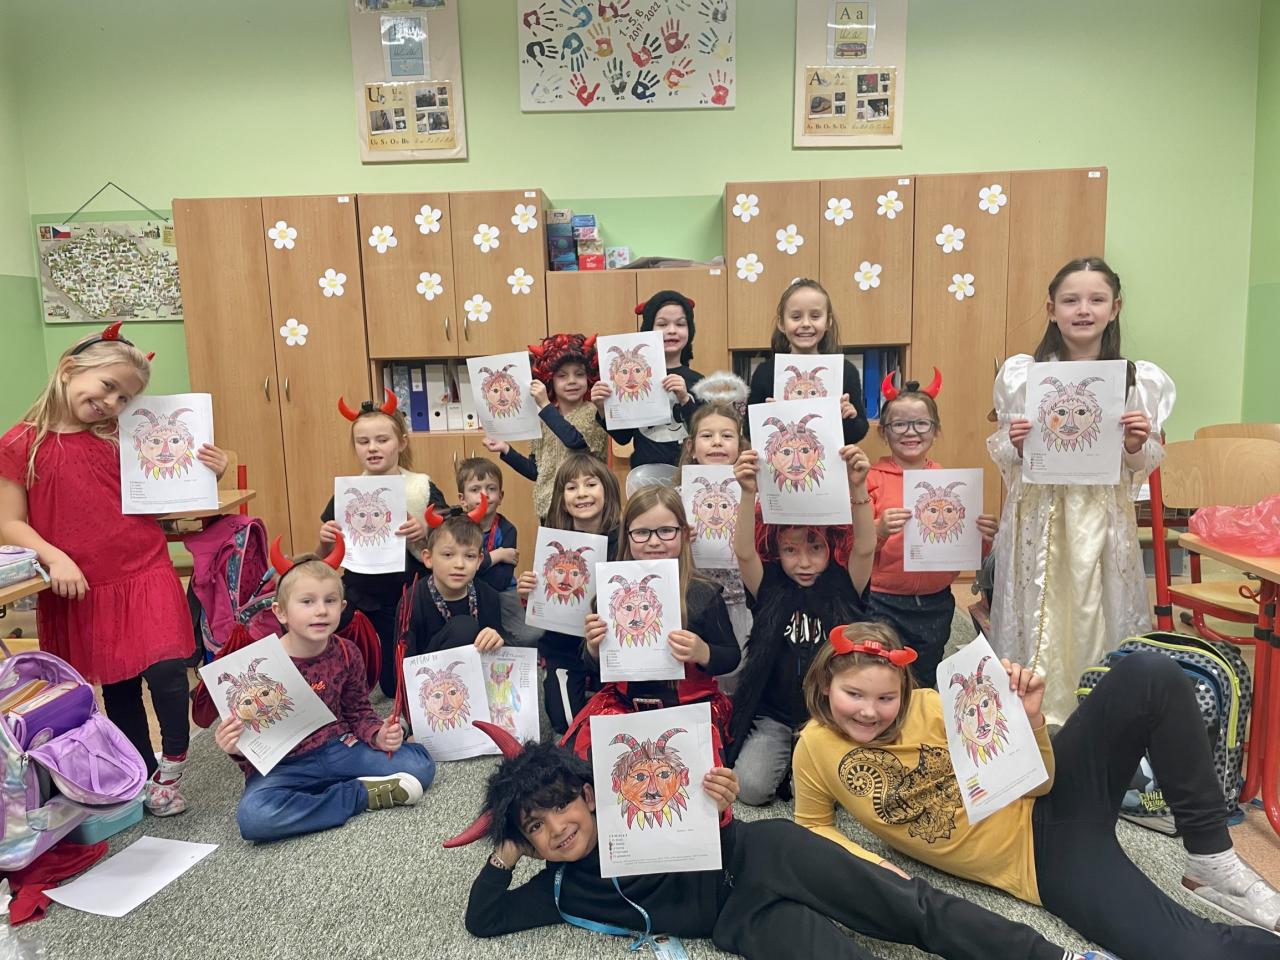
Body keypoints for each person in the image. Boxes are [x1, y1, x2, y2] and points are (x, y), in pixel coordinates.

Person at [795, 620, 1280, 957]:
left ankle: (1211, 859)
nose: (869, 710)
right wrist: (872, 865)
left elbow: (1040, 782)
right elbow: (813, 825)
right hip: (1042, 861)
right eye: (853, 694)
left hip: (1052, 794)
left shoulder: (937, 706)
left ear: (902, 691)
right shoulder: (814, 748)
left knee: (1149, 672)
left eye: (885, 697)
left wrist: (1028, 722)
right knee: (1195, 951)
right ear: (824, 685)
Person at [449, 724, 1117, 960]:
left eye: (558, 808)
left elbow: (708, 817)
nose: (555, 829)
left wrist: (716, 802)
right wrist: (506, 847)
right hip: (738, 920)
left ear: (588, 794)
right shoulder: (560, 891)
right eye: (535, 828)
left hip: (762, 853)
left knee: (909, 907)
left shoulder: (636, 803)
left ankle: (1050, 958)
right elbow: (484, 920)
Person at [0, 322, 229, 816]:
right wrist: (54, 556)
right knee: (118, 683)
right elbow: (9, 522)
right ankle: (141, 773)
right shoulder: (21, 443)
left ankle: (173, 765)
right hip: (83, 585)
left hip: (144, 568)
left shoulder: (123, 436)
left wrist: (208, 470)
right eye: (108, 387)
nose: (112, 403)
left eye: (124, 397)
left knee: (168, 668)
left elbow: (169, 490)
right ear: (68, 369)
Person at [987, 257, 1175, 723]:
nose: (1084, 310)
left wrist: (1135, 444)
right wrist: (1016, 444)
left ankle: (1094, 713)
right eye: (1071, 300)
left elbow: (1141, 463)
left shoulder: (1135, 380)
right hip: (1039, 515)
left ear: (1115, 308)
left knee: (1094, 607)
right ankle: (1031, 715)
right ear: (1052, 309)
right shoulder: (1024, 376)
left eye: (1096, 300)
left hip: (1099, 515)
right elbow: (1005, 454)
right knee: (1037, 604)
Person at [215, 540, 434, 842]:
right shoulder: (255, 666)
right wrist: (234, 748)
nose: (320, 611)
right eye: (307, 602)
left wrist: (377, 735)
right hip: (284, 766)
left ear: (342, 607)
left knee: (420, 766)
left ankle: (324, 796)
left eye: (330, 601)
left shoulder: (347, 652)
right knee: (254, 817)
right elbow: (252, 739)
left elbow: (359, 712)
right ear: (281, 612)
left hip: (338, 747)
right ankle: (358, 794)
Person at [726, 441, 875, 805]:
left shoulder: (844, 584)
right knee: (751, 788)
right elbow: (743, 552)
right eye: (790, 550)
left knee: (840, 793)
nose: (804, 562)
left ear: (830, 547)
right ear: (776, 551)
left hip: (830, 715)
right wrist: (747, 494)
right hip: (775, 714)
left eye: (815, 548)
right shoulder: (770, 584)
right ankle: (791, 758)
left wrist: (858, 487)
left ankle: (803, 763)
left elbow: (865, 548)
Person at [567, 485, 739, 759]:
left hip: (690, 709)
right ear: (627, 537)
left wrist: (703, 652)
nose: (654, 541)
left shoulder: (704, 593)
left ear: (684, 534)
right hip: (624, 706)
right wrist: (593, 649)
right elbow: (594, 667)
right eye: (642, 532)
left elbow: (731, 656)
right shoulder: (610, 594)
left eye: (666, 531)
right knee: (583, 768)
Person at [866, 370, 997, 688]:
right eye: (899, 424)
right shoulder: (871, 479)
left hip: (936, 600)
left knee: (925, 673)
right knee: (883, 674)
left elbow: (963, 551)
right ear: (884, 432)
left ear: (935, 430)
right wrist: (878, 529)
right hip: (882, 600)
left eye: (921, 424)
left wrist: (982, 538)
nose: (911, 432)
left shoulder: (951, 485)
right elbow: (853, 546)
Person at [319, 389, 445, 698]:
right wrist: (324, 540)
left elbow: (449, 543)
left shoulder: (421, 487)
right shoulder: (348, 492)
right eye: (363, 442)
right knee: (318, 620)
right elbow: (324, 558)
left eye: (382, 440)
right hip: (359, 592)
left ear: (401, 442)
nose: (372, 448)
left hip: (406, 593)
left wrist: (425, 530)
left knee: (392, 687)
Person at [516, 452, 623, 734]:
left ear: (607, 491)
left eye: (591, 484)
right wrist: (529, 591)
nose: (582, 493)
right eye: (572, 487)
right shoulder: (553, 541)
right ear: (562, 498)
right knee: (566, 724)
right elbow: (542, 603)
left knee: (620, 713)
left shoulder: (625, 539)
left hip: (611, 648)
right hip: (563, 649)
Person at [484, 333, 608, 524]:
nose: (572, 381)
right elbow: (537, 471)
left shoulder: (594, 412)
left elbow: (575, 441)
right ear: (550, 380)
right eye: (562, 376)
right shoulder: (544, 420)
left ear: (588, 377)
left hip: (584, 509)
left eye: (579, 374)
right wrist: (506, 449)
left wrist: (544, 404)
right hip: (549, 512)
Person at [677, 396, 753, 686]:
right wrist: (678, 540)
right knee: (701, 678)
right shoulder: (675, 499)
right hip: (697, 607)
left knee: (739, 678)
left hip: (742, 602)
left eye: (727, 436)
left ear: (740, 447)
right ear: (691, 447)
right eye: (707, 436)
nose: (717, 442)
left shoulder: (753, 494)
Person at [746, 279, 868, 444]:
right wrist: (767, 415)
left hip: (830, 458)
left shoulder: (845, 371)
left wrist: (849, 417)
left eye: (815, 316)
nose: (805, 324)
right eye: (796, 317)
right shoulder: (764, 373)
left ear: (828, 322)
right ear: (781, 323)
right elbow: (749, 430)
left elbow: (859, 431)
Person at [591, 290, 704, 467]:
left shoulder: (699, 382)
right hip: (645, 475)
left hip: (688, 474)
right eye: (662, 324)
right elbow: (623, 437)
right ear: (648, 330)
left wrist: (684, 400)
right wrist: (602, 408)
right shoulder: (633, 377)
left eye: (681, 324)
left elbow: (703, 434)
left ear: (690, 330)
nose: (672, 330)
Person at [403, 503, 505, 657]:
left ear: (479, 560)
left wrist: (496, 639)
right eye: (448, 555)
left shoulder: (489, 597)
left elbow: (500, 656)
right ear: (428, 558)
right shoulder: (411, 602)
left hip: (476, 669)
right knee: (464, 628)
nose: (459, 564)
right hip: (428, 670)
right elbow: (402, 661)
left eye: (469, 556)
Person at [456, 456, 536, 646]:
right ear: (462, 499)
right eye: (475, 490)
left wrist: (475, 568)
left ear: (500, 496)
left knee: (531, 635)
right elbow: (459, 569)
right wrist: (497, 555)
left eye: (491, 489)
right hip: (463, 591)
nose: (484, 495)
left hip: (503, 593)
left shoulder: (507, 529)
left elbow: (501, 579)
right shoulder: (456, 528)